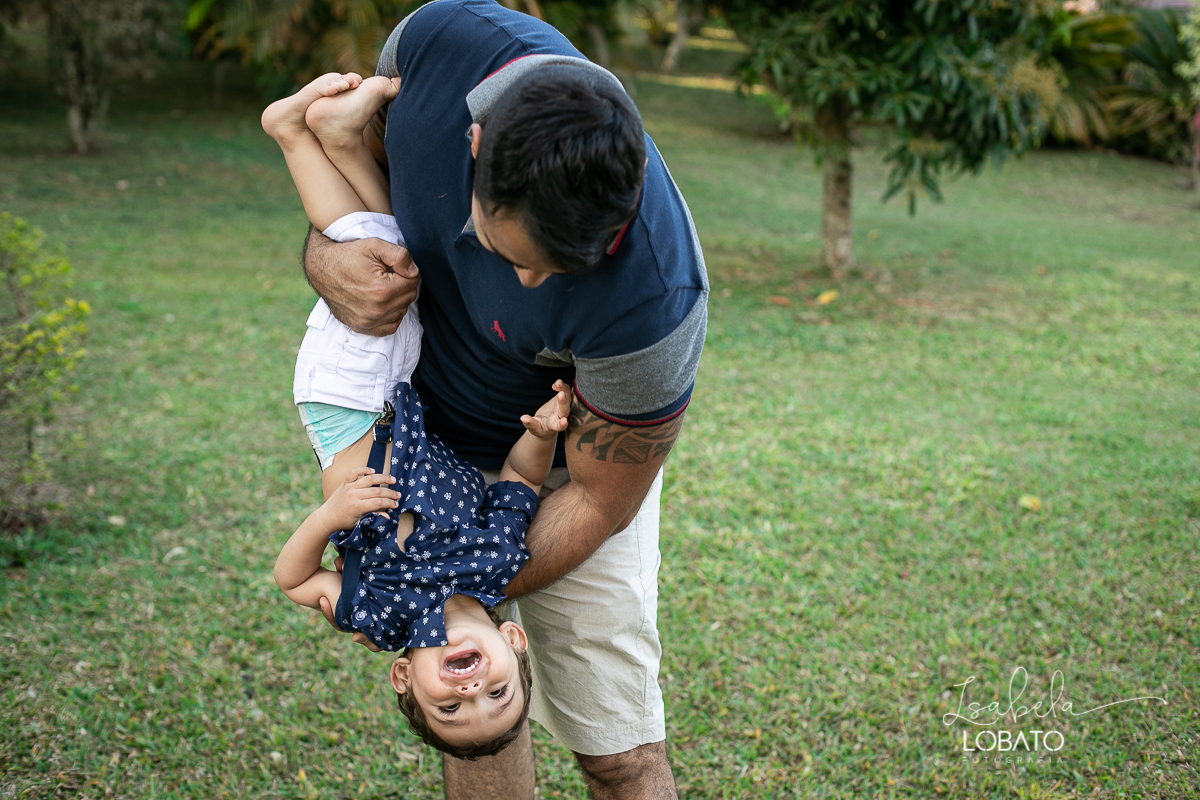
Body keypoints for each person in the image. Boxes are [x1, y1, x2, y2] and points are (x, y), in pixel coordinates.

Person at [303, 2, 708, 798]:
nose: (526, 287)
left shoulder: (653, 304)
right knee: (477, 738)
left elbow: (597, 501)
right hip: (415, 442)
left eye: (561, 269)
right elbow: (358, 196)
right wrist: (324, 256)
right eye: (511, 252)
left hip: (560, 482)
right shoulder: (433, 48)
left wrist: (443, 584)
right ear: (476, 145)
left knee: (618, 752)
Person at [261, 69, 574, 756]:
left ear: (404, 677)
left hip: (346, 413)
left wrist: (329, 519)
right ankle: (340, 140)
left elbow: (292, 580)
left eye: (450, 707)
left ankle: (290, 135)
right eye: (497, 693)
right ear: (512, 640)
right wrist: (543, 436)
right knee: (402, 258)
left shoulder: (378, 612)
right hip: (396, 400)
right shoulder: (496, 561)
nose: (470, 691)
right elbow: (520, 486)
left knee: (382, 257)